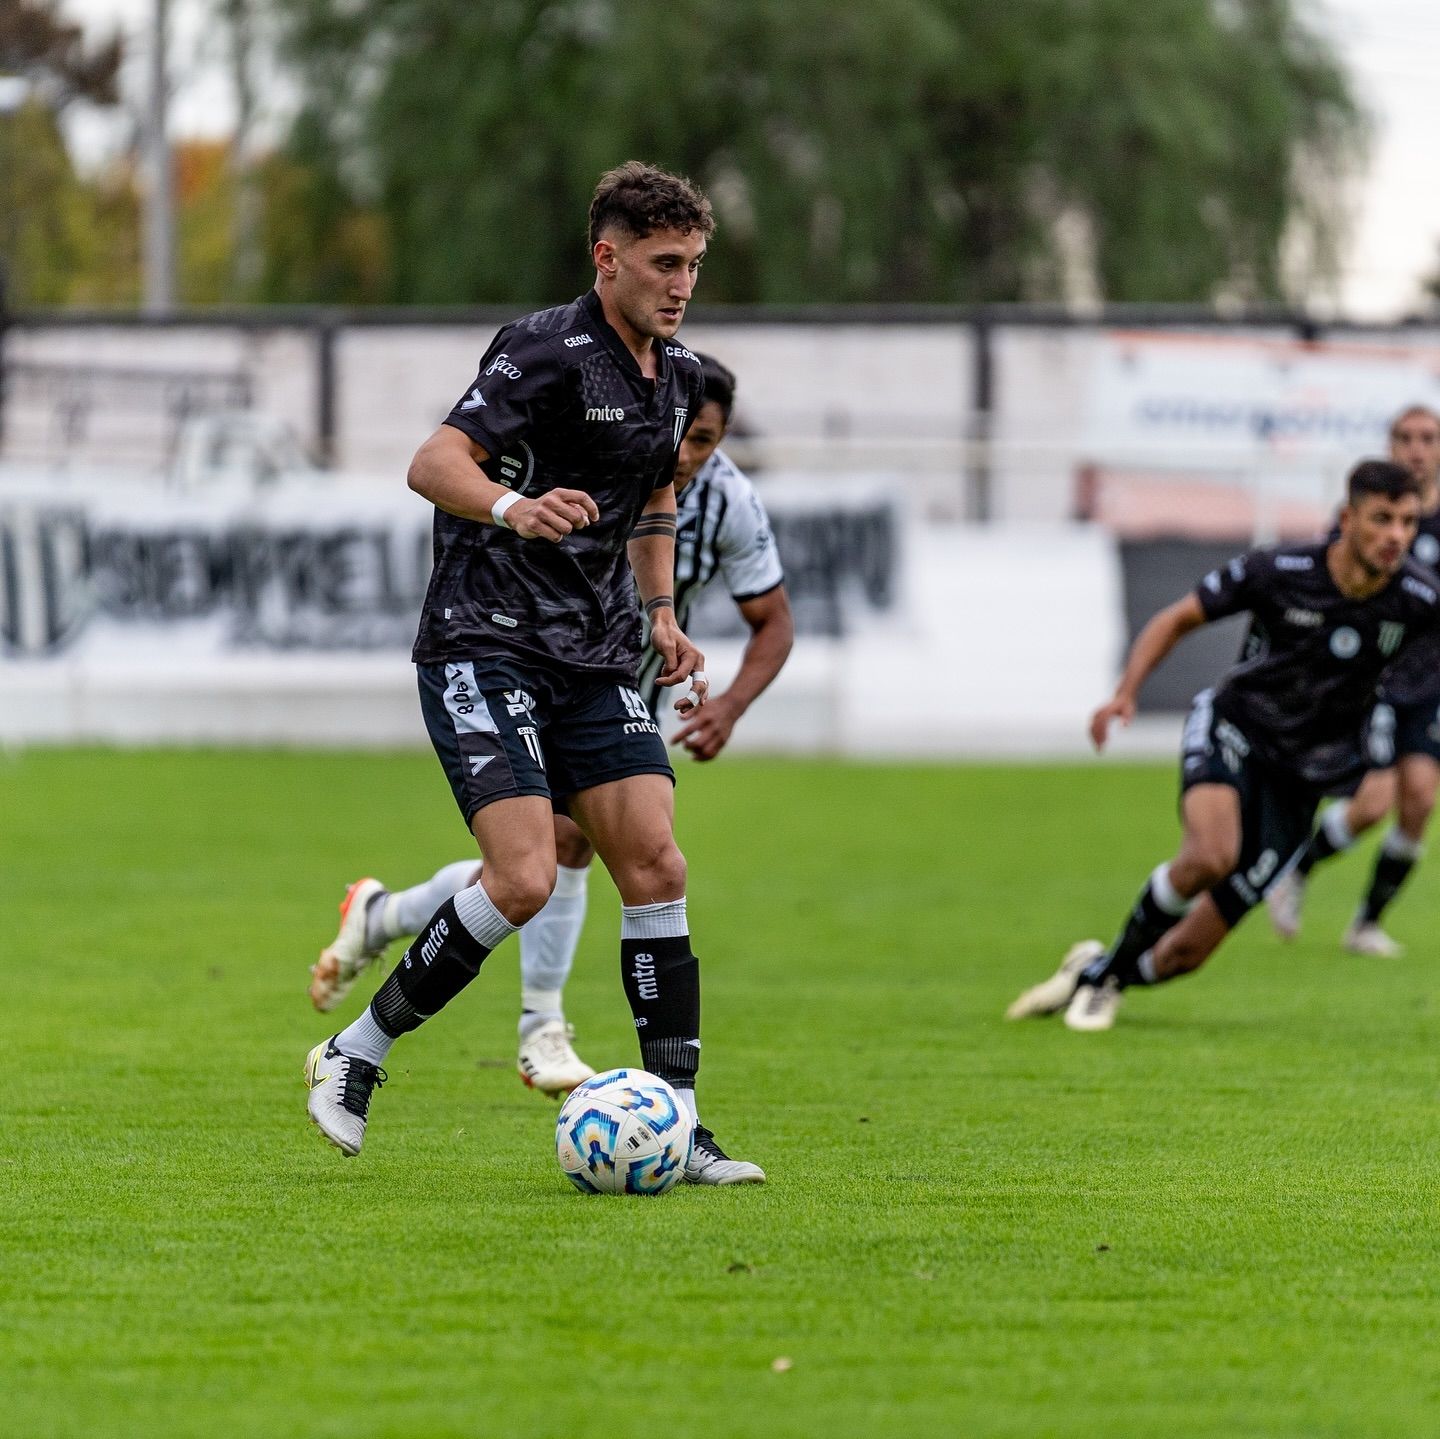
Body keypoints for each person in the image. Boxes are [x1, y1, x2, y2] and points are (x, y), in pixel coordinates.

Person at [303, 161, 765, 1184]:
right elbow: (433, 462)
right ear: (607, 258)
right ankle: (355, 1052)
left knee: (658, 865)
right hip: (486, 638)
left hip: (596, 651)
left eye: (693, 264)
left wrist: (661, 612)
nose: (681, 284)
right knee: (521, 878)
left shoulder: (680, 375)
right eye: (663, 263)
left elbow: (656, 498)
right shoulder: (544, 350)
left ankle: (682, 1124)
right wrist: (515, 507)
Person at [309, 352, 793, 1100]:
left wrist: (726, 704)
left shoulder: (727, 501)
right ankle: (540, 1026)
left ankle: (386, 914)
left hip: (618, 690)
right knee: (544, 857)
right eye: (682, 434)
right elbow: (445, 465)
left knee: (583, 860)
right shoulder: (596, 441)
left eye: (704, 441)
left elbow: (774, 620)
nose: (686, 453)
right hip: (535, 674)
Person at [1006, 459, 1438, 1032]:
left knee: (1185, 955)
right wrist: (1125, 693)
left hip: (1304, 775)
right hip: (1235, 727)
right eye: (1382, 519)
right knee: (1210, 856)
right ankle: (1103, 981)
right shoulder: (1279, 570)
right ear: (1346, 519)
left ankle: (1096, 971)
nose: (1396, 536)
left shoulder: (1418, 598)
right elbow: (1177, 619)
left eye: (1408, 522)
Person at [1265, 405, 1440, 955]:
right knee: (1372, 804)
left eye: (1428, 438)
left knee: (1420, 802)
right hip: (1378, 678)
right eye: (1405, 438)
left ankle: (1365, 924)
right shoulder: (1364, 522)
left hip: (1430, 685)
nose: (1416, 449)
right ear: (1391, 445)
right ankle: (1296, 867)